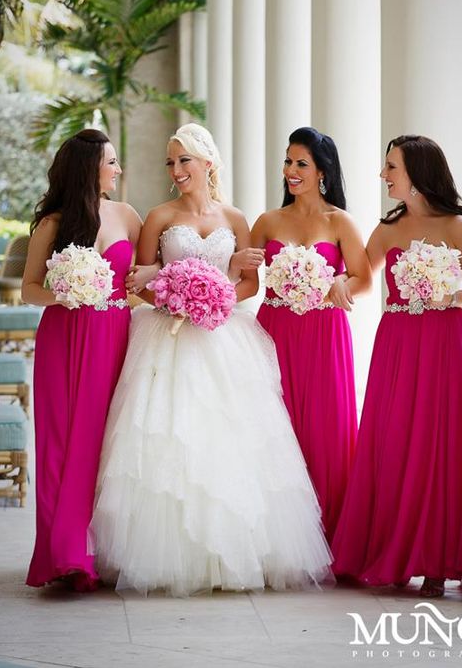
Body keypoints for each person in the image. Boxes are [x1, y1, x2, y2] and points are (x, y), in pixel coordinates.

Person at [90, 124, 332, 596]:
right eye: (170, 162)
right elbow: (137, 284)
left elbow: (250, 285)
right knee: (167, 436)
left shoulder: (236, 218)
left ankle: (234, 550)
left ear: (208, 163)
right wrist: (173, 294)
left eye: (184, 161)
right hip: (168, 336)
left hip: (225, 335)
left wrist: (219, 296)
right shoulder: (159, 216)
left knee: (231, 438)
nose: (176, 171)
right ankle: (165, 552)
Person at [331, 135, 462, 598]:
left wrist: (448, 296)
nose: (383, 176)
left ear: (416, 174)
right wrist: (340, 284)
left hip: (445, 342)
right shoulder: (387, 230)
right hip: (397, 342)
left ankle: (437, 559)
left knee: (440, 444)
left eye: (391, 168)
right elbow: (362, 278)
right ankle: (394, 554)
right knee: (393, 439)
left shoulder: (458, 227)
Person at [22, 129, 141, 591]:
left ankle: (100, 551)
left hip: (114, 337)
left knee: (103, 441)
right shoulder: (53, 224)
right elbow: (30, 287)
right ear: (90, 168)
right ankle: (63, 553)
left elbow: (141, 279)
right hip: (65, 337)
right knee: (60, 442)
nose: (117, 169)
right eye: (111, 161)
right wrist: (64, 293)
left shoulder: (129, 216)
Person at [252, 126, 371, 544]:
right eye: (288, 161)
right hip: (275, 329)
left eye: (301, 163)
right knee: (274, 423)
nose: (291, 170)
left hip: (324, 333)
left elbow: (363, 279)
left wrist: (342, 285)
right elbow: (246, 282)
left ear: (322, 171)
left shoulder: (340, 222)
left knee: (326, 427)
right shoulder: (267, 222)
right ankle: (277, 539)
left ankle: (331, 535)